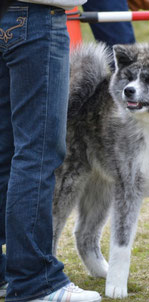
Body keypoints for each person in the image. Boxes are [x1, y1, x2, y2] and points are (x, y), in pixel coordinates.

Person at [0, 1, 101, 301]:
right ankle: (36, 281)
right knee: (38, 151)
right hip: (36, 15)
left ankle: (13, 274)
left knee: (7, 150)